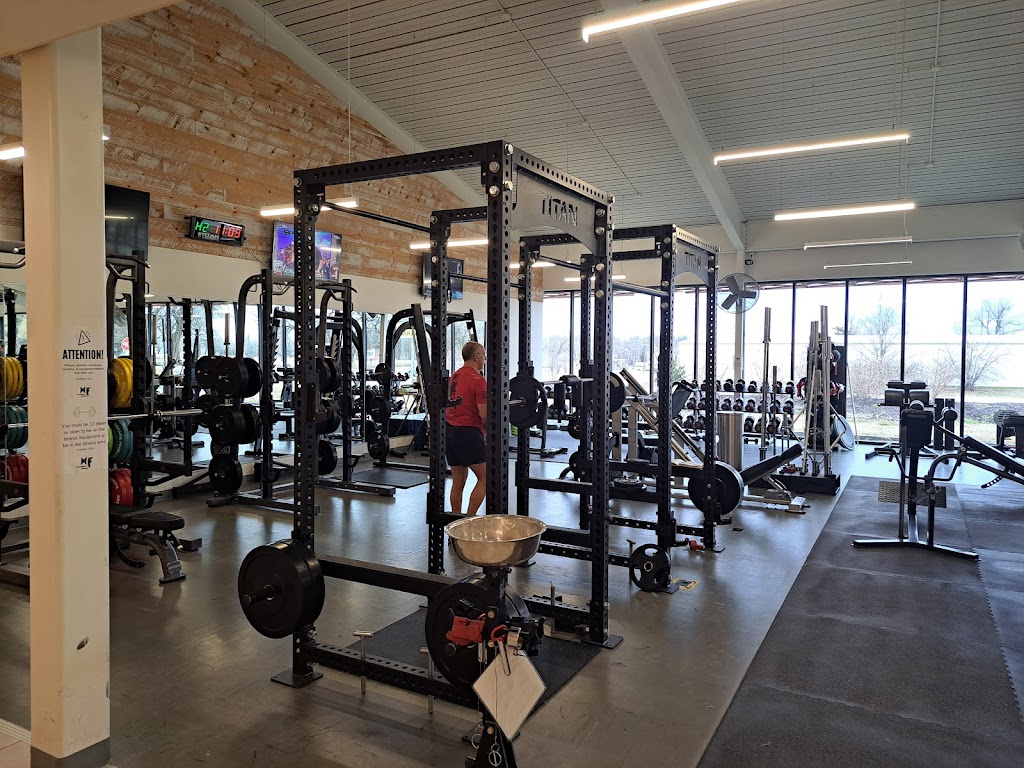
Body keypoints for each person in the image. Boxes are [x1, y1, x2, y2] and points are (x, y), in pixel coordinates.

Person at [445, 341, 487, 515]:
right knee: (487, 478)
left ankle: (456, 521)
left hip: (449, 431)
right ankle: (469, 520)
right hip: (468, 433)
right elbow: (484, 414)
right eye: (483, 355)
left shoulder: (454, 377)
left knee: (458, 481)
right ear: (476, 357)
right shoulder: (478, 380)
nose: (484, 359)